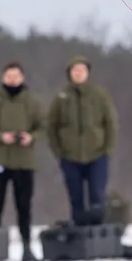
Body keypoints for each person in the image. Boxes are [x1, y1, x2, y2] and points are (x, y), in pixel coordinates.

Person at [0, 61, 46, 261]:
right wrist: (1, 137)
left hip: (24, 162)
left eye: (16, 76)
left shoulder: (33, 102)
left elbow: (44, 127)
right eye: (9, 76)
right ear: (3, 77)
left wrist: (31, 137)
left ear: (22, 78)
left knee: (24, 206)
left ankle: (26, 247)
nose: (12, 79)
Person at [47, 55, 119, 225]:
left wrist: (108, 150)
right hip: (70, 156)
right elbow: (51, 126)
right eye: (75, 70)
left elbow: (111, 123)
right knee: (76, 197)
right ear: (69, 73)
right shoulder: (61, 97)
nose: (78, 74)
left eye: (82, 70)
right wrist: (59, 152)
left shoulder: (100, 95)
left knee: (97, 195)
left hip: (97, 154)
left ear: (88, 73)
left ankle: (97, 232)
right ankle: (79, 235)